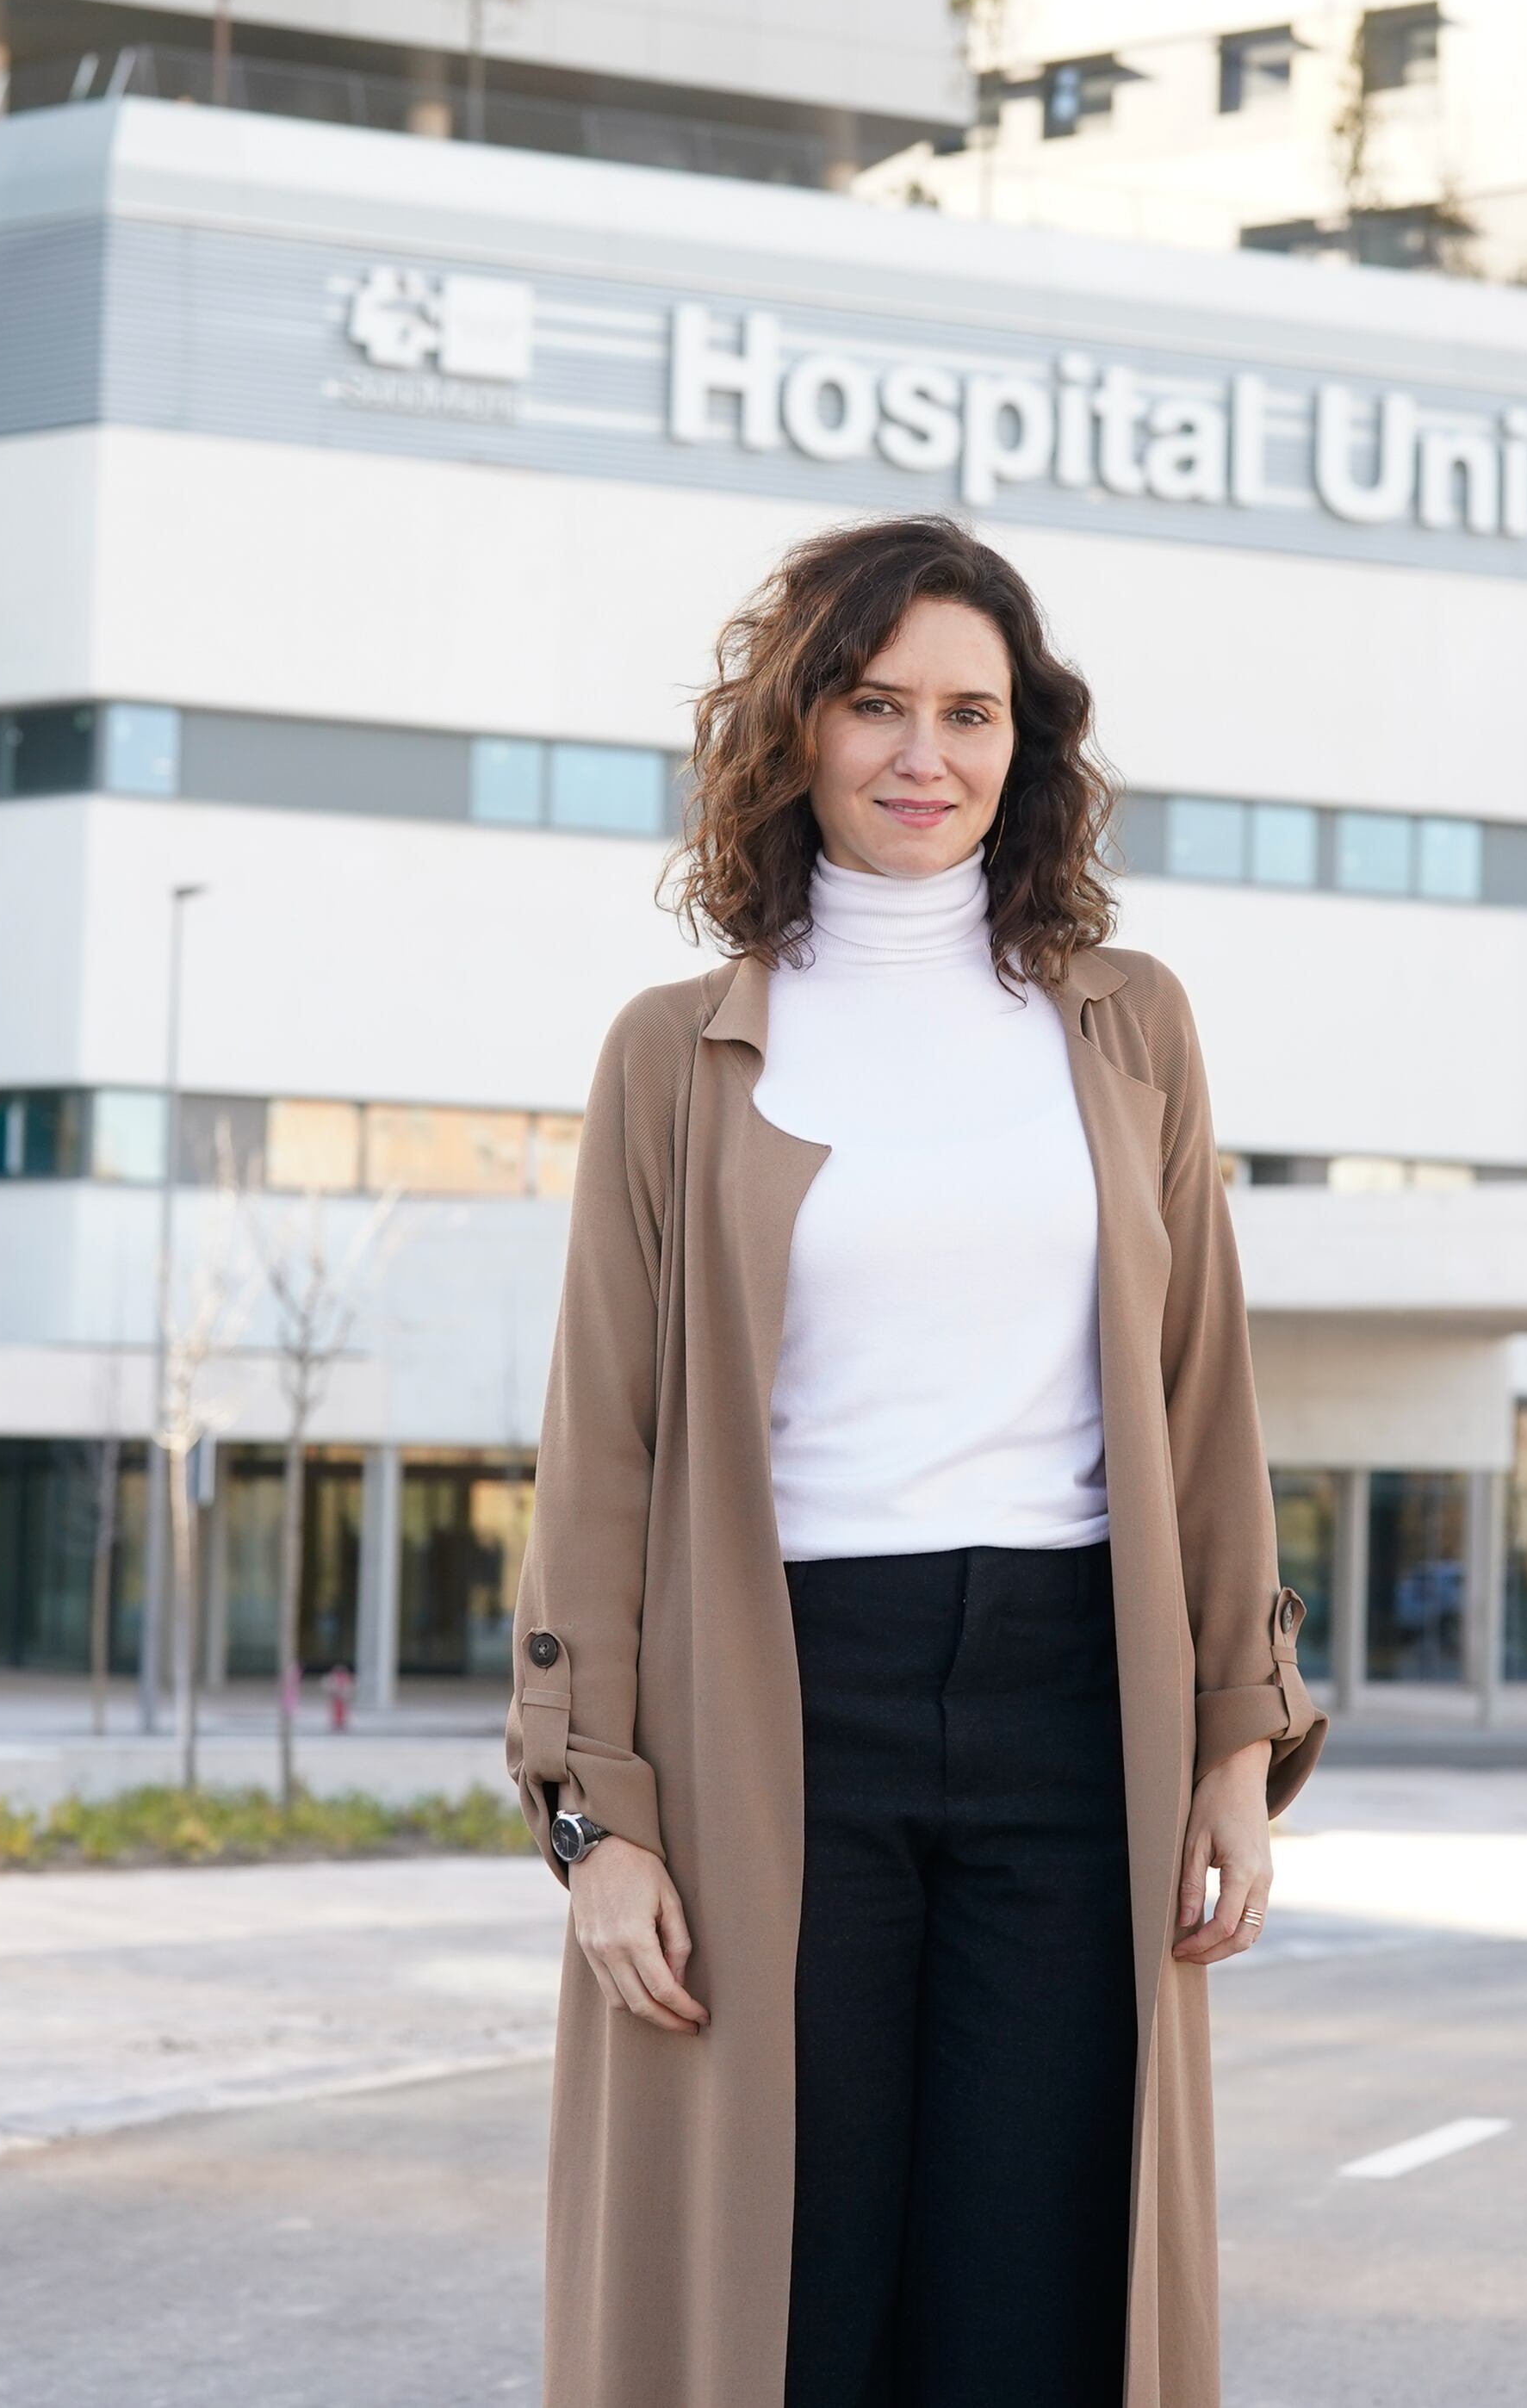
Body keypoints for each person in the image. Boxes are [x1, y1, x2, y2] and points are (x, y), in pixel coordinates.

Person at [507, 514, 1325, 2408]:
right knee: (787, 2283)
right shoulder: (677, 1051)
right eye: (875, 702)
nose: (922, 754)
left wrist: (1231, 1740)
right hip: (779, 1709)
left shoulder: (1123, 1026)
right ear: (794, 728)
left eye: (971, 712)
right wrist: (593, 1811)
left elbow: (1204, 1400)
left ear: (1024, 748)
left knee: (1032, 2284)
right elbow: (603, 1444)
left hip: (1066, 1709)